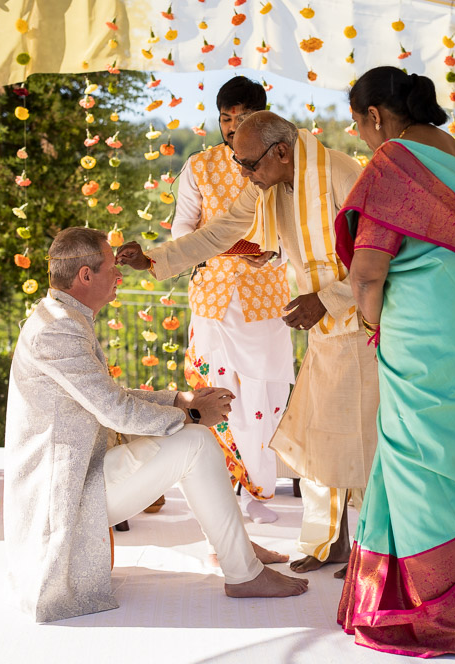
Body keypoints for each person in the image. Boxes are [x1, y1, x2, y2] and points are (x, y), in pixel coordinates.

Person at [117, 111, 379, 576]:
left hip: (361, 328)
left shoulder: (339, 173)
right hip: (323, 333)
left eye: (248, 165)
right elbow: (218, 233)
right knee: (319, 437)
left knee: (363, 441)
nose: (243, 174)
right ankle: (330, 544)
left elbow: (373, 254)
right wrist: (154, 259)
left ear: (280, 151)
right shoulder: (269, 183)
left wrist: (326, 299)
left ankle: (373, 551)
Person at [3, 227, 307, 623]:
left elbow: (110, 393)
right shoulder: (58, 329)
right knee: (195, 441)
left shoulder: (63, 316)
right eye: (112, 268)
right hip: (65, 491)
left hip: (81, 473)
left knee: (193, 440)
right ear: (85, 276)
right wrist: (193, 414)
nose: (120, 275)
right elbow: (114, 410)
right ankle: (242, 569)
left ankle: (238, 556)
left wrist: (182, 400)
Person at [333, 67, 455, 657]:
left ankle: (423, 614)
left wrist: (369, 323)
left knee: (415, 457)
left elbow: (367, 271)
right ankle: (433, 601)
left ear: (377, 117)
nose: (361, 136)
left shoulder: (391, 163)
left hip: (425, 331)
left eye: (358, 124)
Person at [172, 77, 294, 524]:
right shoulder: (199, 167)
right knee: (215, 396)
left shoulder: (282, 163)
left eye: (242, 119)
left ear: (263, 118)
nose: (230, 127)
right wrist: (223, 248)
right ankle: (217, 498)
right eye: (225, 118)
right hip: (213, 302)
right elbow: (182, 231)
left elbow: (296, 228)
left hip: (267, 300)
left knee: (266, 394)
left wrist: (275, 253)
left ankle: (257, 493)